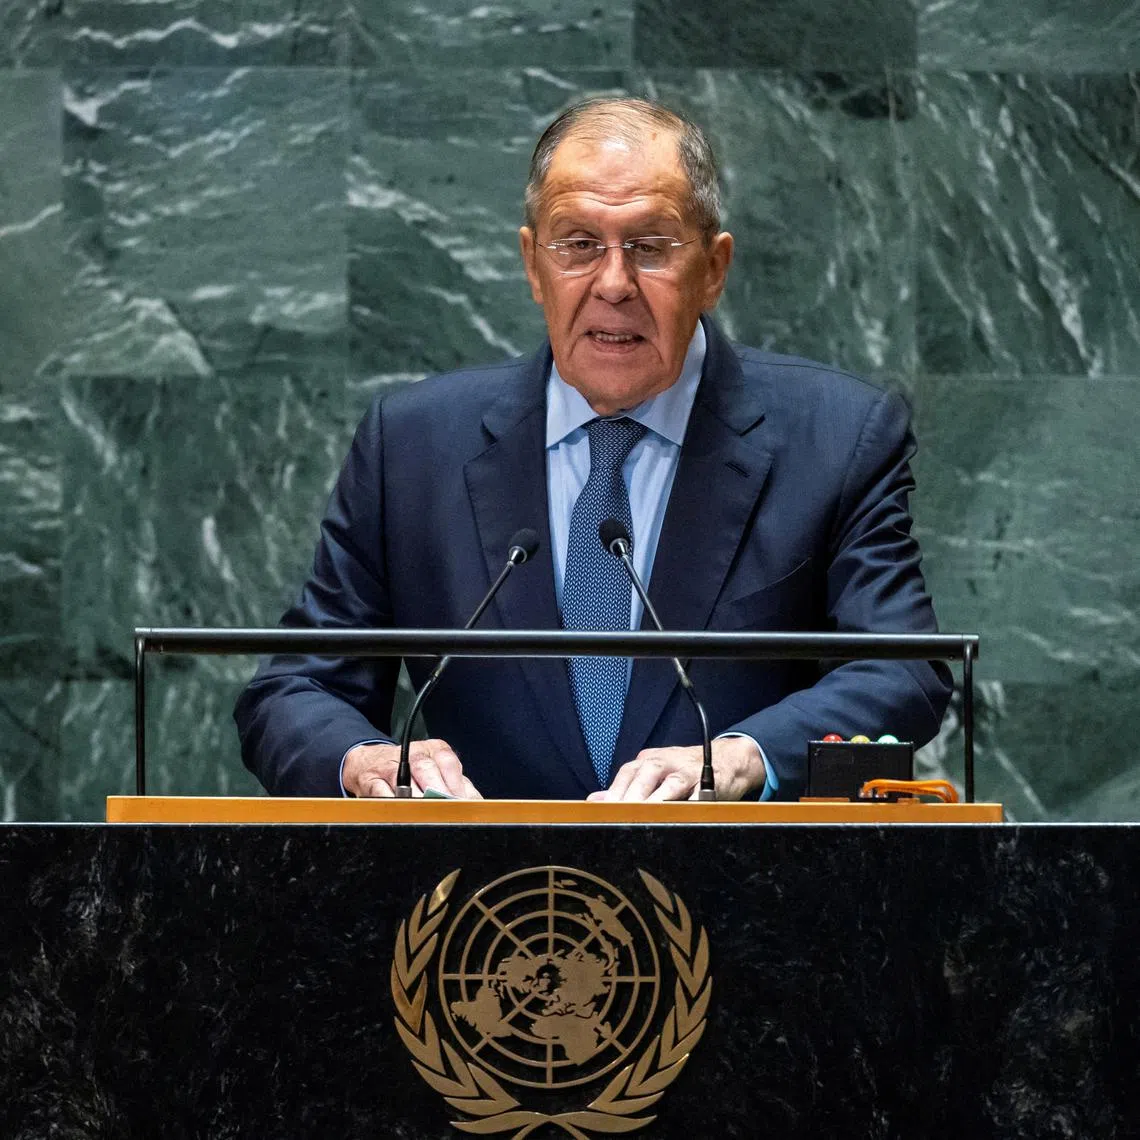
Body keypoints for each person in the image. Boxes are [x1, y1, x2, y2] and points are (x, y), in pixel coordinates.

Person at [234, 96, 952, 802]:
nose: (613, 283)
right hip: (482, 905)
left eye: (650, 247)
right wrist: (362, 760)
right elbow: (295, 689)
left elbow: (902, 672)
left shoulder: (838, 436)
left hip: (747, 896)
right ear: (531, 263)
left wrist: (744, 758)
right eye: (578, 245)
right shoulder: (413, 447)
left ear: (713, 268)